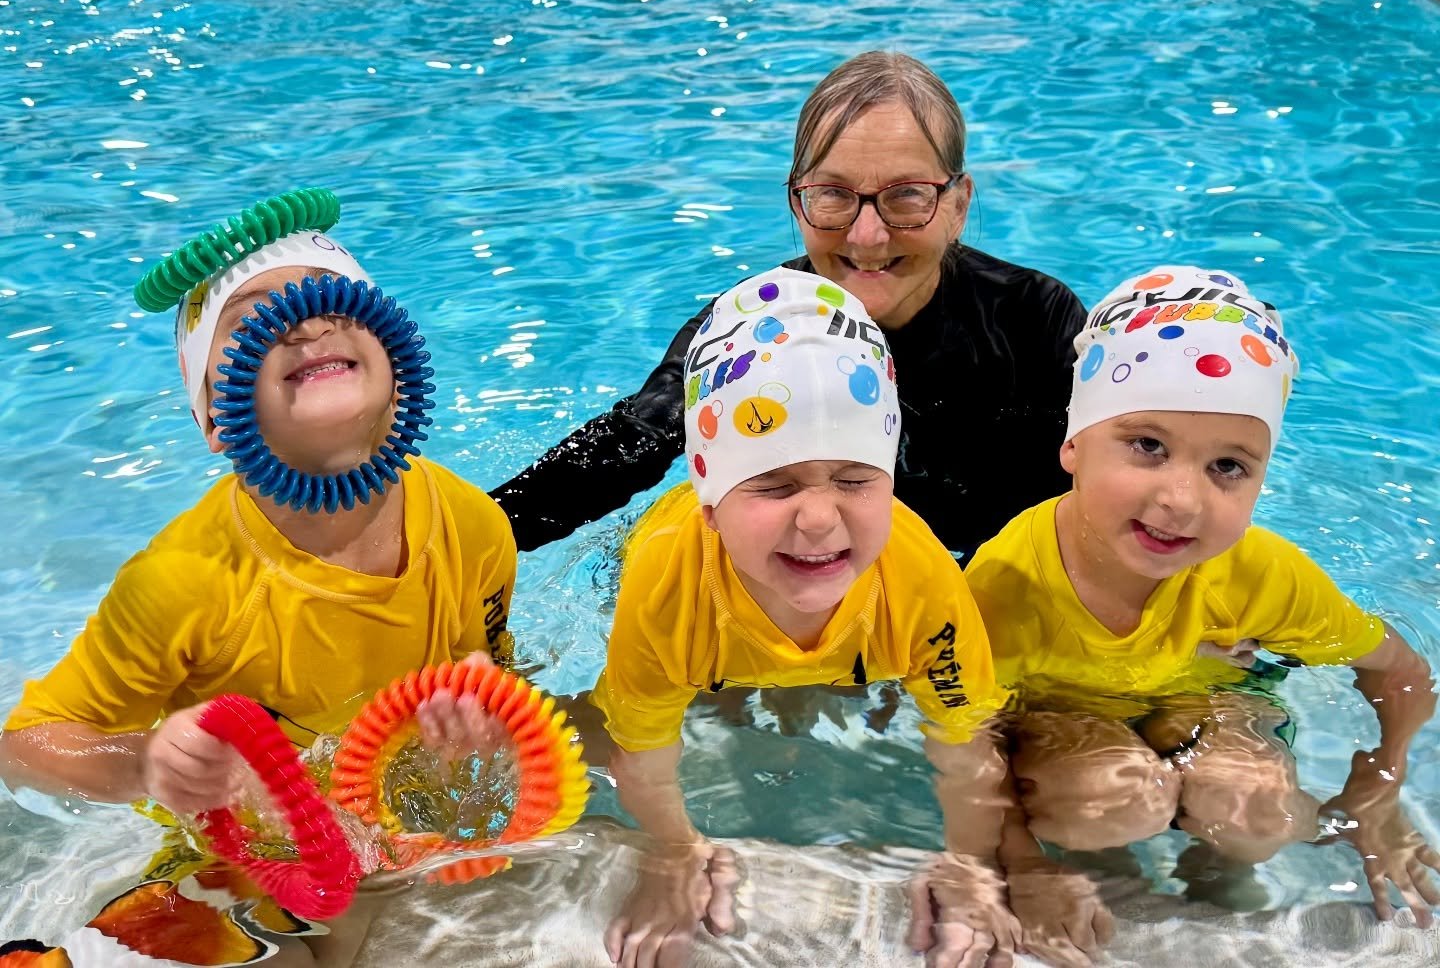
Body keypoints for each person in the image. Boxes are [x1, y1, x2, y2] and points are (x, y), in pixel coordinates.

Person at [0, 192, 517, 965]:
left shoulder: (474, 526)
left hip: (399, 836)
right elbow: (23, 744)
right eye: (251, 322)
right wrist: (147, 760)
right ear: (213, 417)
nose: (306, 324)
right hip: (241, 861)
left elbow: (503, 668)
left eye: (335, 303)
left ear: (401, 365)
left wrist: (490, 714)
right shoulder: (183, 582)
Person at [965, 265, 1440, 964]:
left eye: (1228, 466)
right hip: (1063, 713)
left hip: (1214, 697)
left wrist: (1377, 791)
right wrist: (1022, 862)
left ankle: (1223, 876)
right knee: (1105, 803)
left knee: (1260, 815)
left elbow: (1400, 671)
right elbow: (967, 729)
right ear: (1072, 442)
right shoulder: (1007, 581)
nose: (1180, 500)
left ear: (1262, 480)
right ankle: (1111, 862)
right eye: (1147, 446)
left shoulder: (1260, 573)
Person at [492, 50, 1086, 561]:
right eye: (833, 195)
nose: (867, 236)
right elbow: (629, 445)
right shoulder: (751, 326)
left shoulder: (1034, 319)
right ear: (796, 203)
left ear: (959, 205)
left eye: (907, 196)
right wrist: (470, 534)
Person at [588, 268, 1020, 968]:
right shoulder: (665, 588)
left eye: (855, 480)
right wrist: (672, 852)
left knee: (847, 687)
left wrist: (969, 863)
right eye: (774, 483)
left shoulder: (921, 579)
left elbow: (966, 741)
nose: (819, 520)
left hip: (850, 627)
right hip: (694, 593)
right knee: (703, 701)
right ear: (710, 502)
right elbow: (641, 749)